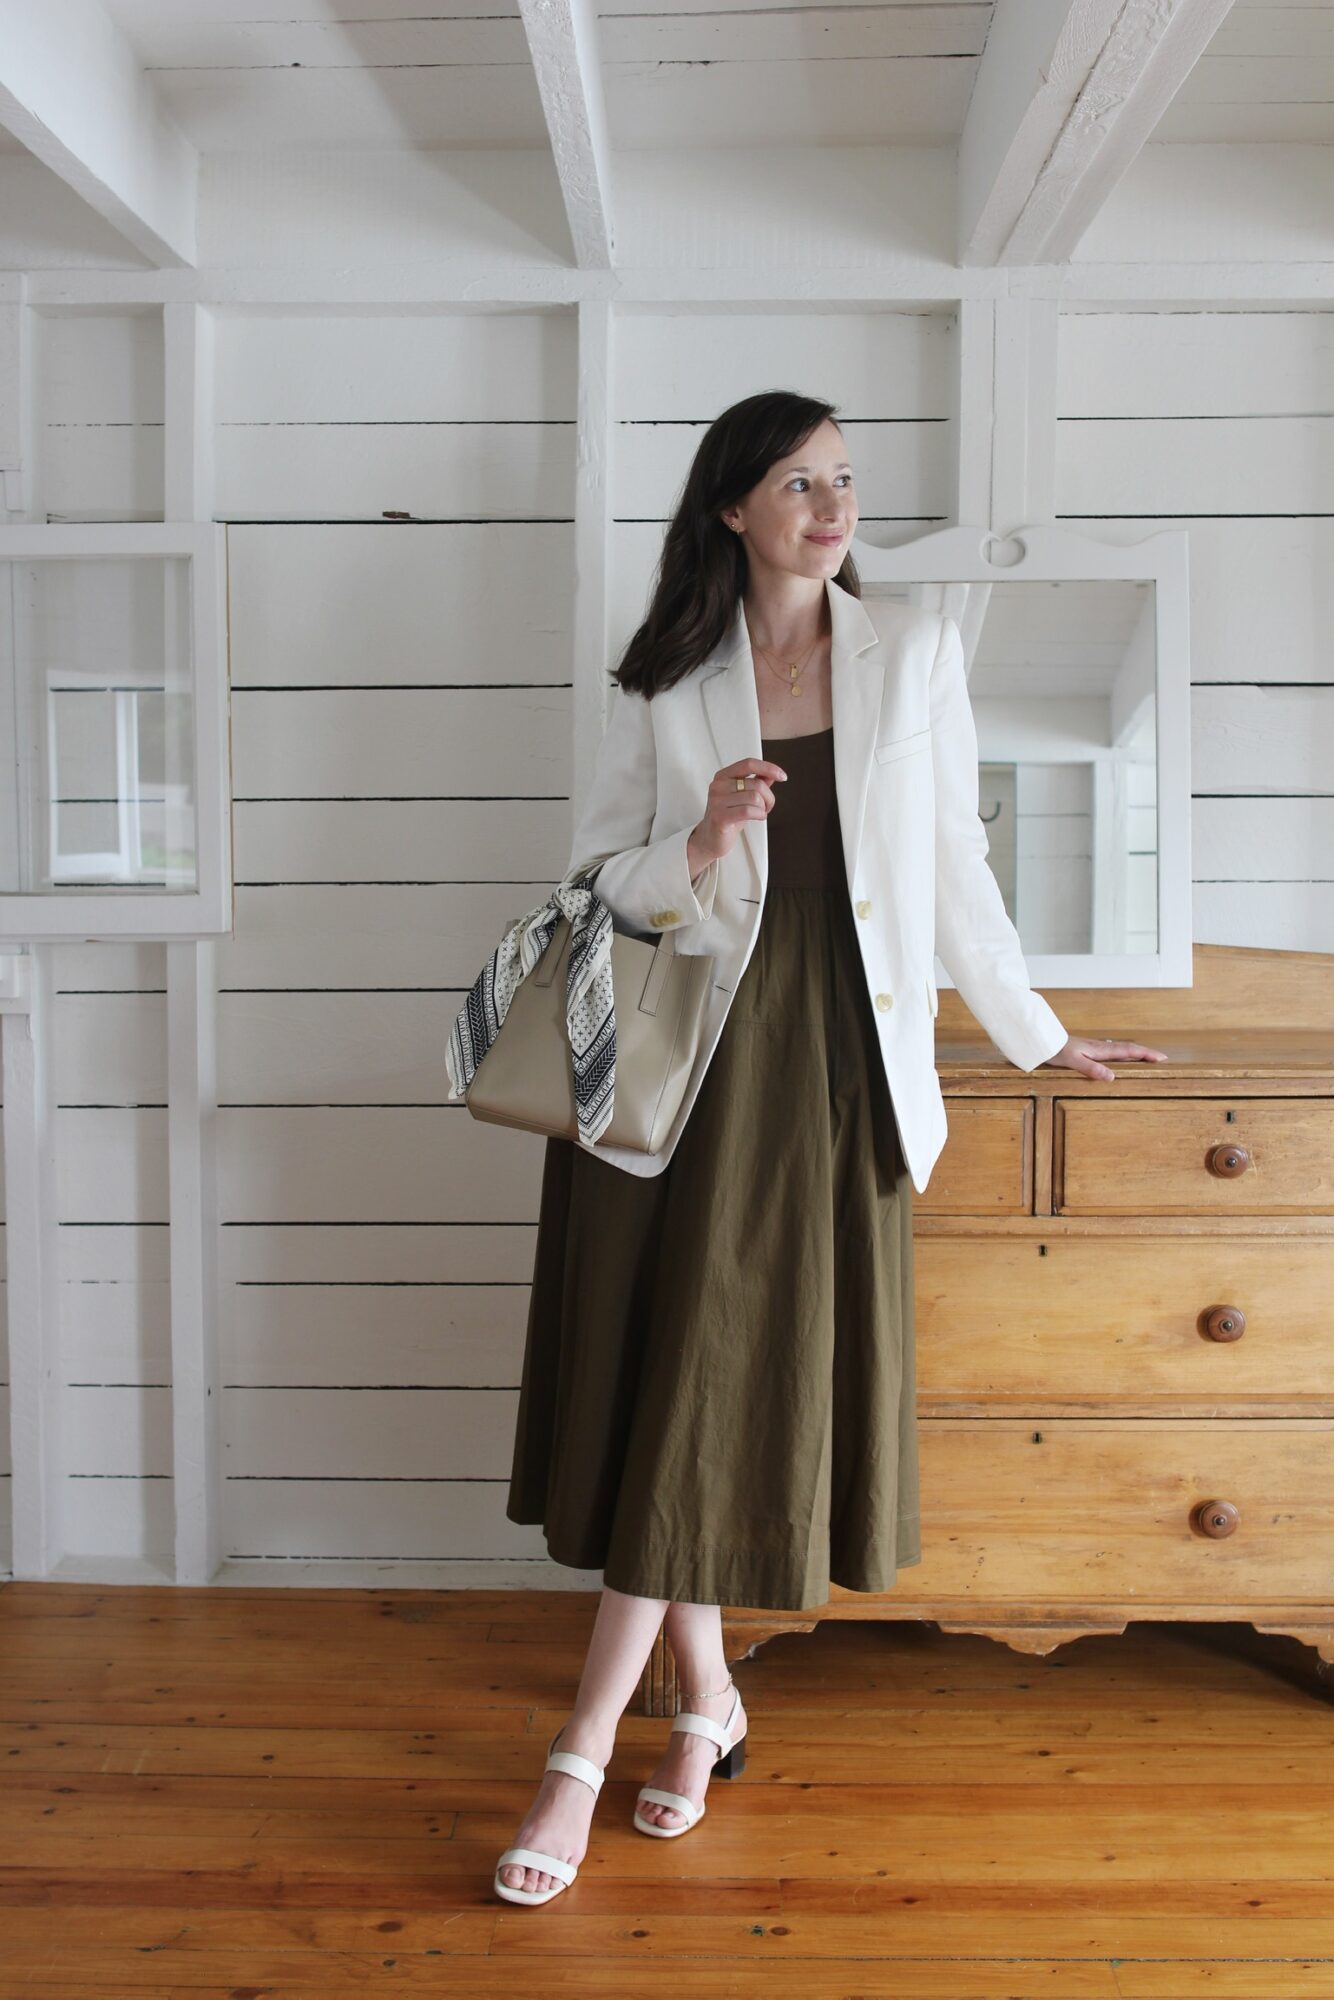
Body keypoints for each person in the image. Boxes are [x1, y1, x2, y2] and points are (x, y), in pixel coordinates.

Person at [493, 391, 1169, 1905]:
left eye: (844, 479)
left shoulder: (913, 652)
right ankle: (704, 1709)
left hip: (829, 1060)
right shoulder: (668, 673)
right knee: (672, 1378)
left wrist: (1032, 1031)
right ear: (732, 507)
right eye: (799, 481)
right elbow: (596, 876)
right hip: (674, 1070)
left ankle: (584, 1747)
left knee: (716, 1386)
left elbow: (951, 865)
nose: (832, 504)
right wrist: (703, 839)